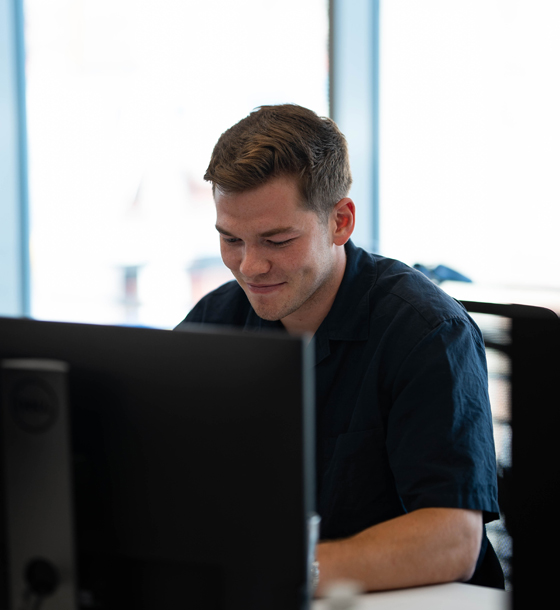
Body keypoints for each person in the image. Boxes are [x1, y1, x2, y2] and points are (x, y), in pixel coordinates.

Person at [176, 104, 503, 594]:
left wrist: (289, 570)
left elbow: (452, 541)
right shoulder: (217, 321)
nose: (250, 266)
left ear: (340, 222)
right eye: (231, 240)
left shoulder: (428, 332)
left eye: (277, 240)